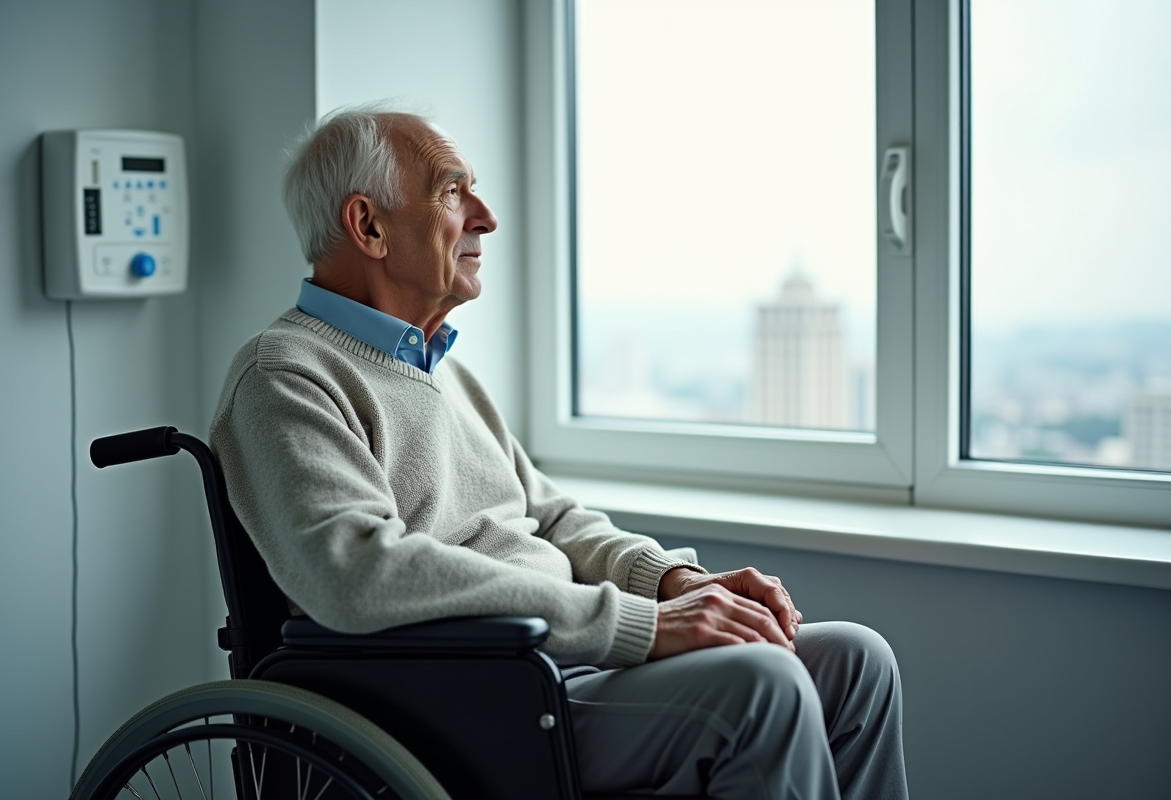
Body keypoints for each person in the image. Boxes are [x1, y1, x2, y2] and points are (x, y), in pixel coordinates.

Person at [210, 104, 908, 800]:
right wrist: (639, 627)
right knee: (766, 687)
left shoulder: (440, 372)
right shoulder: (284, 376)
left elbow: (553, 519)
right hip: (470, 696)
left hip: (552, 661)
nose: (485, 216)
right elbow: (358, 574)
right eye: (453, 191)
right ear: (369, 226)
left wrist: (672, 585)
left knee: (855, 661)